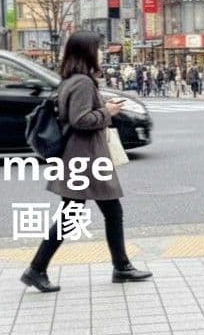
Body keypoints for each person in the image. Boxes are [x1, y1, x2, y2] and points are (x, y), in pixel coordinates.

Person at [20, 30, 153, 293]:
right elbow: (80, 119)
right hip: (86, 159)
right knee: (93, 213)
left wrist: (102, 106)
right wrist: (107, 111)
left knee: (92, 213)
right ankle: (38, 269)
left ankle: (119, 265)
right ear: (87, 52)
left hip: (81, 157)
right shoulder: (83, 82)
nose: (101, 53)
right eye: (98, 48)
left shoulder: (71, 80)